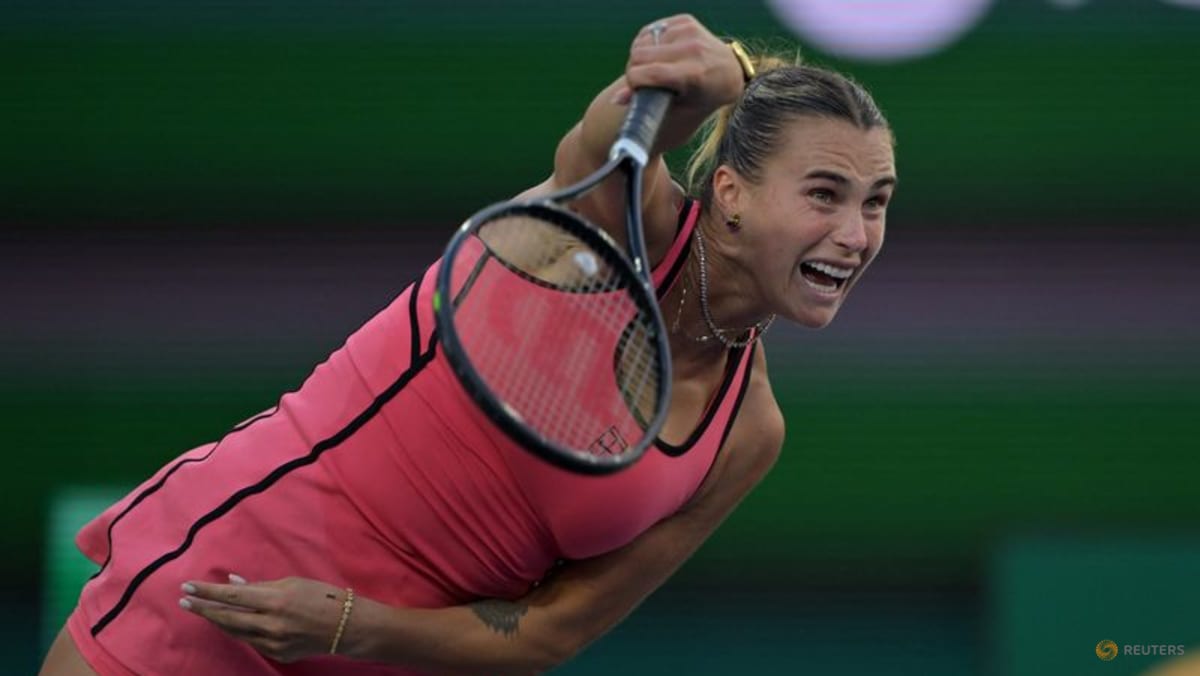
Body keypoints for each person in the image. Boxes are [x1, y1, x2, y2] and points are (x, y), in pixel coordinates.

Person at [40, 13, 896, 676]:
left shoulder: (748, 432)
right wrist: (726, 73)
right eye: (825, 194)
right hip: (235, 579)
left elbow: (551, 631)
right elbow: (610, 131)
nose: (856, 234)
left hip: (384, 652)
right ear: (731, 192)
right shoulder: (609, 215)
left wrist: (348, 625)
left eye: (877, 201)